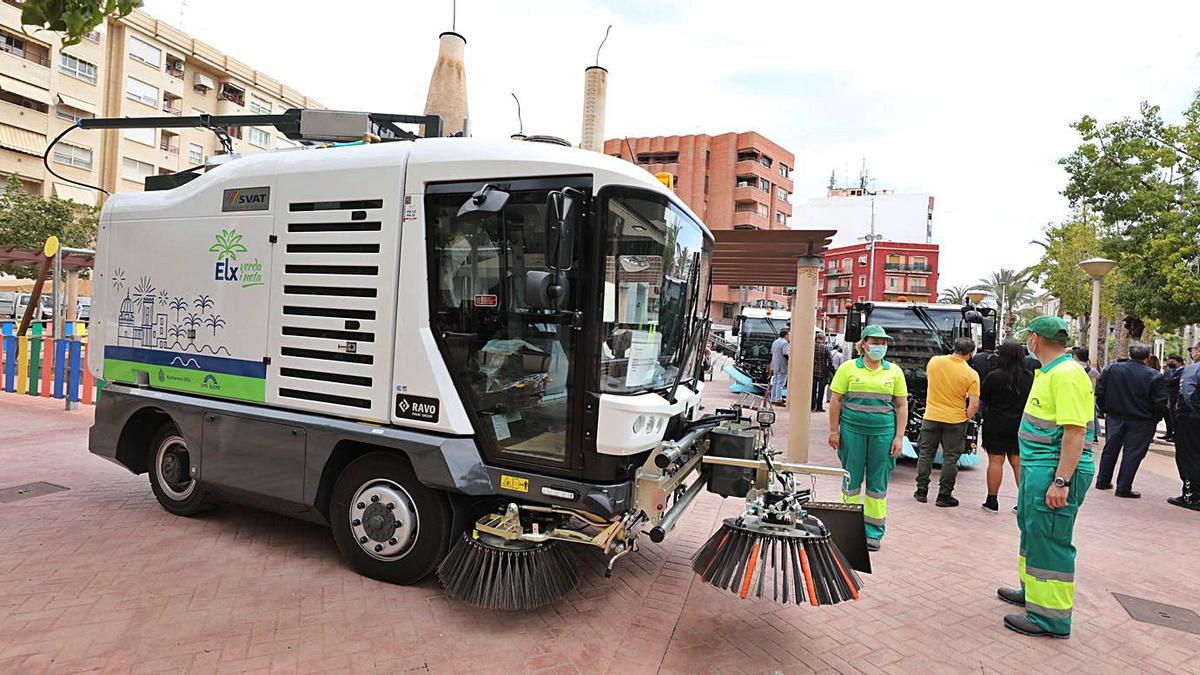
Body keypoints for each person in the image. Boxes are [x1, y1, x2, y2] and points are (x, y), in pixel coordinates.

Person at [997, 316, 1097, 639]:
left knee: (1051, 540)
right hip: (1040, 467)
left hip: (1055, 469)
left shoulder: (1066, 376)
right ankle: (1033, 594)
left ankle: (1049, 618)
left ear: (1036, 339)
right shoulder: (1050, 372)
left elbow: (1074, 433)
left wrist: (1061, 481)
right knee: (1032, 530)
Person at [828, 325, 908, 552]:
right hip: (852, 432)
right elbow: (836, 401)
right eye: (875, 342)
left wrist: (899, 437)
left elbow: (902, 405)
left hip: (884, 434)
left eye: (883, 343)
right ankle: (847, 529)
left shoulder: (894, 372)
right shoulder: (848, 368)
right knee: (850, 482)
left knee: (877, 485)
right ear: (863, 344)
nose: (880, 346)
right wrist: (834, 431)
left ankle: (873, 533)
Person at [914, 337, 981, 507]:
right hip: (955, 420)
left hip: (931, 416)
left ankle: (921, 490)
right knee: (950, 458)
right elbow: (974, 404)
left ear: (954, 347)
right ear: (971, 353)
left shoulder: (934, 362)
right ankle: (944, 495)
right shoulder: (971, 374)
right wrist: (965, 417)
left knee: (925, 454)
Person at [1094, 344, 1167, 498]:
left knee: (1110, 449)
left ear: (1130, 354)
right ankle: (1123, 487)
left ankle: (1102, 480)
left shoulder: (1112, 369)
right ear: (1148, 357)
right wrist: (1155, 417)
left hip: (1116, 416)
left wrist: (1104, 409)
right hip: (1142, 420)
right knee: (1133, 453)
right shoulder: (1154, 375)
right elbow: (1159, 402)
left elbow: (1100, 391)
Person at [980, 340, 1033, 512]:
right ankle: (1022, 502)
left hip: (995, 422)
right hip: (1018, 423)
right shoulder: (1029, 377)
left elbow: (985, 397)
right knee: (1017, 462)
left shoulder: (995, 375)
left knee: (996, 460)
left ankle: (992, 500)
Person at [1168, 343, 1200, 510]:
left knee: (1187, 456)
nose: (1192, 352)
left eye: (1193, 349)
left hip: (1191, 419)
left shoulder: (1192, 370)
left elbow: (1188, 394)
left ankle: (1191, 495)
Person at [1162, 354, 1184, 442]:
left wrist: (1169, 380)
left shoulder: (1182, 371)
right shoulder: (1170, 371)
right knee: (1168, 416)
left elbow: (1172, 381)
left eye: (1173, 362)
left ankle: (1176, 435)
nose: (1170, 363)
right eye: (1169, 361)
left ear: (1179, 362)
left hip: (1175, 397)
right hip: (1168, 396)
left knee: (1174, 416)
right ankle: (1169, 432)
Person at [767, 328, 790, 405]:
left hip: (775, 364)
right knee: (781, 383)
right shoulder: (785, 343)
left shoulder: (775, 342)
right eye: (789, 334)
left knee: (775, 382)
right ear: (786, 335)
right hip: (782, 365)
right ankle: (778, 399)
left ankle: (773, 398)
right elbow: (786, 354)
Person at [812, 335, 833, 412]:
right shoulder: (825, 347)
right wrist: (829, 368)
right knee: (821, 390)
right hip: (822, 372)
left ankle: (812, 406)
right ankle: (819, 407)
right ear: (823, 339)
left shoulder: (812, 346)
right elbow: (830, 360)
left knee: (813, 390)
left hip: (812, 371)